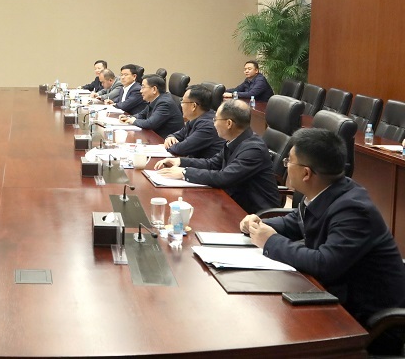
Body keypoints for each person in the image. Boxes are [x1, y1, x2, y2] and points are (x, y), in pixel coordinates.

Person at [240, 128, 405, 335]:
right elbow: (295, 222)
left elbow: (324, 263)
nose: (285, 165)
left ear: (306, 173)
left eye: (289, 161)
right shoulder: (326, 190)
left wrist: (270, 241)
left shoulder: (354, 210)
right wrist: (259, 225)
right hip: (332, 296)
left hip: (367, 322)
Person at [154, 100, 279, 213]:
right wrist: (180, 162)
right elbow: (212, 163)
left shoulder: (253, 149)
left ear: (229, 123)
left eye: (215, 119)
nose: (213, 124)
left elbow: (224, 177)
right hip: (232, 202)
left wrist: (184, 173)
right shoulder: (235, 140)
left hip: (253, 215)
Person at [164, 85, 225, 158]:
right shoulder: (196, 118)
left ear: (194, 106)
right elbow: (180, 134)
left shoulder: (208, 125)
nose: (181, 105)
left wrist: (168, 145)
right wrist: (170, 137)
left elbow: (181, 149)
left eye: (183, 102)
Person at [118, 74, 183, 138]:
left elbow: (150, 124)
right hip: (155, 137)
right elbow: (142, 115)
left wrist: (133, 121)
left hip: (164, 140)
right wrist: (128, 117)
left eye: (143, 87)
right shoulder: (156, 100)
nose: (140, 91)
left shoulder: (165, 103)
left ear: (154, 89)